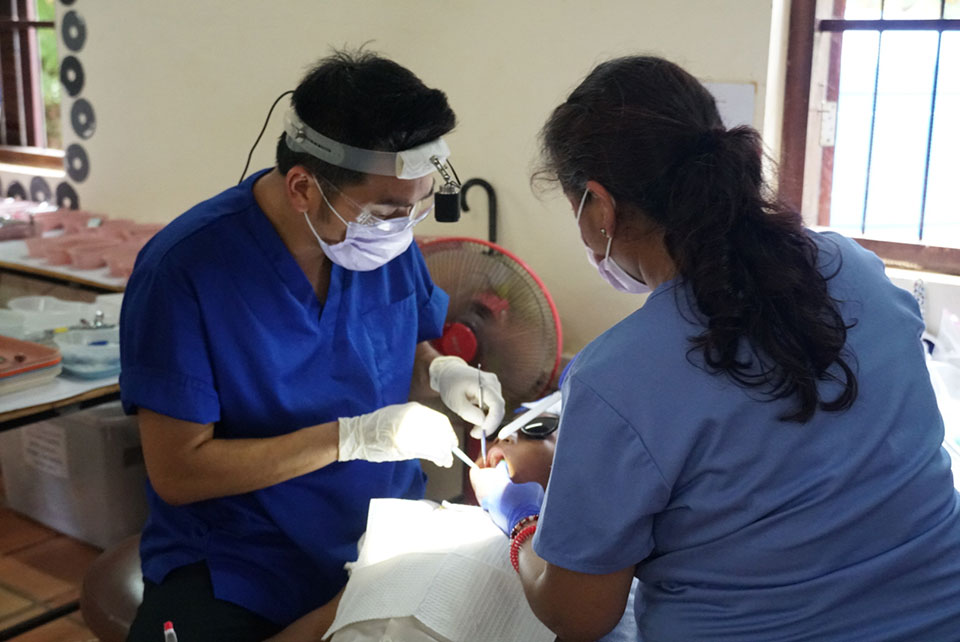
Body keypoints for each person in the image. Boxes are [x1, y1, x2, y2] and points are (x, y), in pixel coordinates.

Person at [471, 55, 960, 642]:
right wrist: (565, 468)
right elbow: (773, 461)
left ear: (599, 206)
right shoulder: (850, 265)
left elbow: (579, 616)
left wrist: (518, 516)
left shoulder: (618, 376)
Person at [120, 50, 505, 641]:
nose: (404, 228)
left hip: (384, 533)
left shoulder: (384, 247)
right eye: (388, 210)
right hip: (243, 561)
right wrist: (351, 438)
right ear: (303, 186)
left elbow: (400, 347)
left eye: (417, 207)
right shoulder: (187, 271)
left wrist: (443, 371)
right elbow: (178, 470)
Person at [267, 412, 639, 642]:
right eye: (508, 425)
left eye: (538, 427)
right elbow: (325, 621)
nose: (505, 435)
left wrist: (528, 521)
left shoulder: (571, 566)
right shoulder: (415, 520)